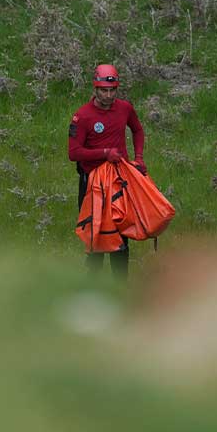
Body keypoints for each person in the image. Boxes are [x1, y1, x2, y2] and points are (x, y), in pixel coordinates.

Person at [68, 63, 146, 279]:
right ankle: (93, 284)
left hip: (119, 180)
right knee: (95, 233)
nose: (109, 95)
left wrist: (138, 158)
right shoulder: (82, 116)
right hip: (92, 183)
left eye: (112, 90)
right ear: (95, 88)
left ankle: (120, 284)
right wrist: (104, 153)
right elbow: (74, 153)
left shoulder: (125, 108)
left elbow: (137, 130)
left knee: (121, 232)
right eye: (104, 90)